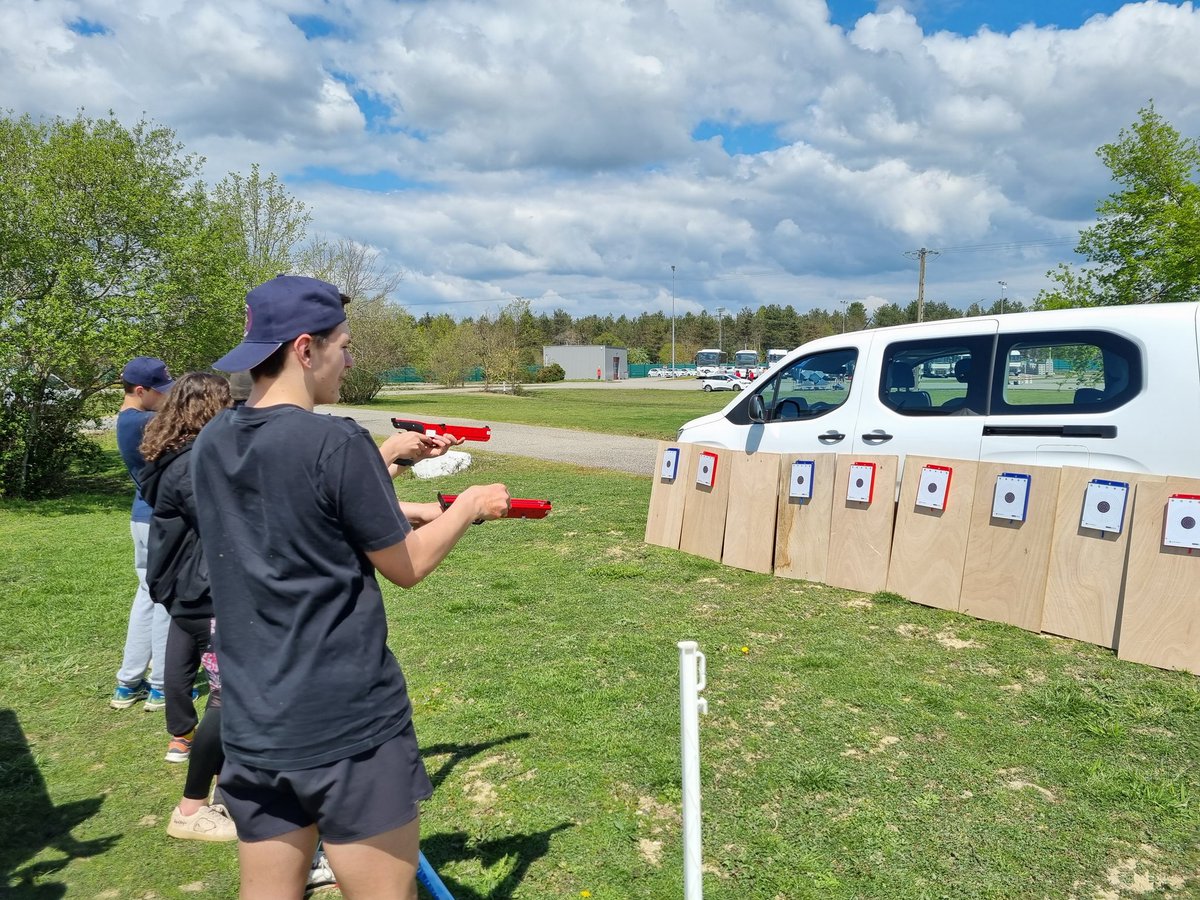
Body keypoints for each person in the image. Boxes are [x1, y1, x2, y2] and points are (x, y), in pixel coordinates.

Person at [192, 275, 510, 899]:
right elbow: (408, 565)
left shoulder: (213, 441)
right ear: (305, 350)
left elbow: (300, 509)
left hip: (256, 724)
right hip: (346, 725)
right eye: (345, 344)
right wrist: (469, 504)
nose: (351, 358)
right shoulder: (335, 441)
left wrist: (385, 457)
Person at [111, 356, 173, 711]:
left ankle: (128, 682)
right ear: (140, 391)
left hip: (142, 516)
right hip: (159, 519)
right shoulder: (146, 422)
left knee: (148, 596)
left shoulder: (128, 421)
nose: (166, 397)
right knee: (166, 599)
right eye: (160, 390)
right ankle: (162, 686)